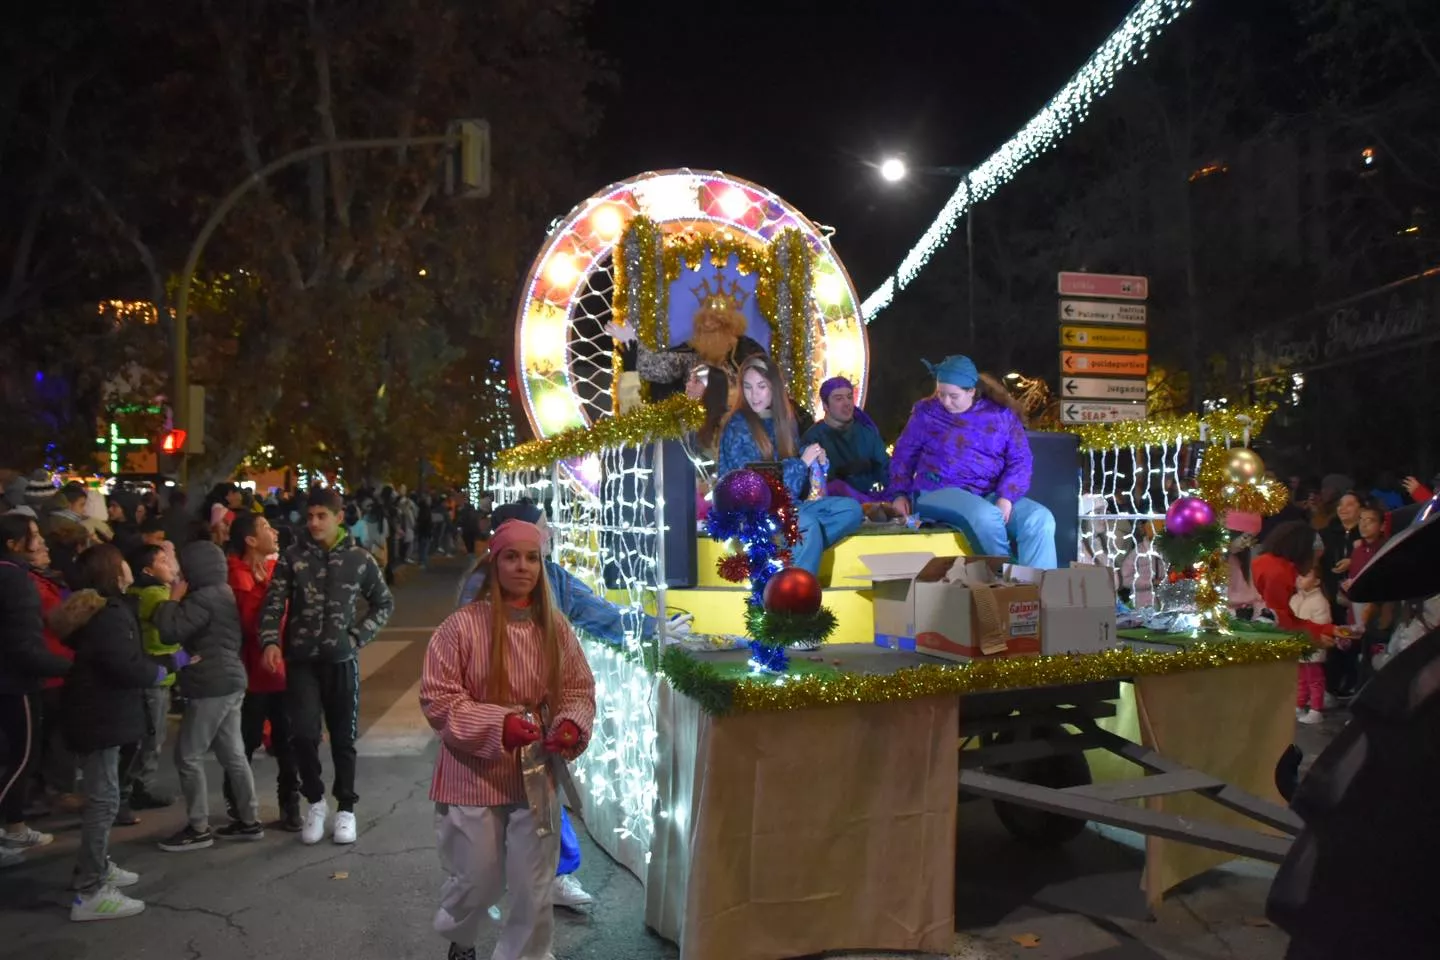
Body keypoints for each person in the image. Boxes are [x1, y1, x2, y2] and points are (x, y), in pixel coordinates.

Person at [458, 501, 692, 909]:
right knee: (492, 805)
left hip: (537, 715)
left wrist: (652, 628)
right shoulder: (479, 584)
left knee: (544, 796)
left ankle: (556, 876)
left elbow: (597, 614)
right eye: (542, 529)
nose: (551, 535)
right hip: (492, 719)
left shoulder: (556, 580)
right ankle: (487, 883)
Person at [421, 519, 596, 960]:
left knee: (532, 886)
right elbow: (439, 698)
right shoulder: (460, 628)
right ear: (494, 563)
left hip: (535, 772)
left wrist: (570, 724)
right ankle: (462, 937)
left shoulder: (555, 628)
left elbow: (577, 689)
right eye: (512, 557)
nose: (523, 567)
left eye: (533, 558)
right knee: (476, 879)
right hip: (471, 771)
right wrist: (497, 725)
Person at [51, 543, 191, 920]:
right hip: (99, 716)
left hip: (97, 715)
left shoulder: (104, 611)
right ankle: (91, 891)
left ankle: (93, 868)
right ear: (115, 574)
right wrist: (162, 669)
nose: (130, 566)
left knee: (105, 796)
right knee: (103, 801)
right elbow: (123, 665)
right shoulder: (110, 614)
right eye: (123, 562)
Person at [259, 486, 394, 845]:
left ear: (339, 517)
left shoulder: (359, 559)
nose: (315, 522)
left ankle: (346, 807)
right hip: (301, 661)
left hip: (341, 661)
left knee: (343, 739)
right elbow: (273, 603)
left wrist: (356, 637)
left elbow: (382, 603)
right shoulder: (291, 557)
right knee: (302, 734)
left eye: (323, 516)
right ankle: (315, 801)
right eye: (311, 516)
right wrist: (270, 641)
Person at [888, 355, 1057, 568]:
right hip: (937, 490)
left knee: (1040, 519)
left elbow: (1021, 459)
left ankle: (1041, 588)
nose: (945, 401)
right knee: (985, 516)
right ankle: (1007, 578)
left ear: (971, 391)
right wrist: (899, 493)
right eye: (941, 394)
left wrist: (1007, 497)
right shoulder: (926, 413)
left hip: (988, 492)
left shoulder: (1001, 416)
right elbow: (903, 455)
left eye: (953, 396)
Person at [154, 541, 261, 851]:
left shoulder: (200, 599)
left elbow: (169, 632)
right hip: (231, 679)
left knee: (187, 755)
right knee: (233, 754)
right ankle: (248, 820)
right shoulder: (224, 591)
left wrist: (171, 600)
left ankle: (198, 827)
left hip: (210, 683)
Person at [716, 356, 864, 575]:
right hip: (753, 515)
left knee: (851, 510)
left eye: (761, 386)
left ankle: (791, 554)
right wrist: (800, 464)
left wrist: (814, 457)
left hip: (787, 507)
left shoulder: (784, 421)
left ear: (774, 388)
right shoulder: (738, 426)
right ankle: (796, 598)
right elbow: (755, 488)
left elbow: (796, 471)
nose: (753, 395)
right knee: (807, 525)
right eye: (748, 387)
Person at [0, 514, 73, 869]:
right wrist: (69, 668)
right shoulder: (15, 579)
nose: (41, 540)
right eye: (33, 536)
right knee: (22, 757)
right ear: (14, 544)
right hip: (16, 681)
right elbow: (23, 644)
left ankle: (15, 826)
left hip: (15, 676)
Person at [224, 513, 300, 832]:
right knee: (244, 740)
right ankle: (241, 808)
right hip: (251, 673)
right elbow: (251, 622)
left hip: (284, 670)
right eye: (266, 527)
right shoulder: (236, 574)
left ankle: (291, 807)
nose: (274, 531)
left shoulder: (275, 569)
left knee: (287, 741)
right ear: (250, 540)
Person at [607, 275, 766, 402]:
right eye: (706, 322)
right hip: (693, 429)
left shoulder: (747, 352)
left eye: (717, 323)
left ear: (730, 326)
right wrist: (632, 344)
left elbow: (764, 388)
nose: (710, 325)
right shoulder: (690, 354)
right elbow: (657, 366)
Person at [121, 544, 183, 815]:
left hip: (153, 672)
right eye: (162, 560)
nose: (169, 563)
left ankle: (131, 789)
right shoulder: (155, 594)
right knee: (152, 738)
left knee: (147, 735)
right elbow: (167, 625)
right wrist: (176, 598)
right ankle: (134, 790)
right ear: (147, 570)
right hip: (156, 674)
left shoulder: (139, 593)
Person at [800, 376, 894, 520]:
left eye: (849, 397)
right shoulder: (813, 438)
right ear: (825, 405)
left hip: (870, 500)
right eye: (838, 399)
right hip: (835, 509)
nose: (847, 404)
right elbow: (816, 486)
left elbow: (886, 469)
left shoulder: (867, 433)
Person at [1288, 557, 1333, 725]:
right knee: (1301, 679)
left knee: (1314, 680)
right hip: (1298, 646)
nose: (1300, 578)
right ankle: (1299, 704)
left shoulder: (1320, 602)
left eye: (1306, 575)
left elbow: (1321, 626)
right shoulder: (1295, 599)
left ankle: (1316, 709)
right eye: (1299, 574)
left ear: (1317, 581)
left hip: (1313, 647)